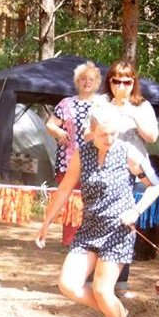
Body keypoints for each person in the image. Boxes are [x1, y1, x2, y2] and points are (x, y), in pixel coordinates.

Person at [36, 103, 159, 317]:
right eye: (103, 134)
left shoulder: (128, 153)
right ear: (91, 131)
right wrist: (47, 222)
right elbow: (64, 189)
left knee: (102, 290)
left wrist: (136, 211)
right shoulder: (82, 153)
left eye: (113, 133)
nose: (109, 138)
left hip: (118, 231)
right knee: (68, 284)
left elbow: (155, 186)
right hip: (89, 229)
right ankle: (115, 312)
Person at [90, 60, 159, 317]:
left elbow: (152, 137)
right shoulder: (99, 103)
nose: (121, 86)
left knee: (122, 224)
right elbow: (86, 133)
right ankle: (111, 302)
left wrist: (130, 113)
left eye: (127, 81)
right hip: (103, 166)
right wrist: (106, 128)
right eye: (116, 81)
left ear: (134, 83)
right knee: (99, 225)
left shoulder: (142, 105)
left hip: (132, 169)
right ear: (109, 82)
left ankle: (118, 290)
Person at [46, 61, 102, 246]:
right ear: (77, 81)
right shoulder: (66, 103)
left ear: (97, 82)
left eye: (91, 79)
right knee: (70, 200)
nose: (87, 82)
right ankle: (70, 241)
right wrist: (59, 132)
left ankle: (90, 239)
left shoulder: (103, 104)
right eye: (83, 79)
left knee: (91, 200)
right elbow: (50, 124)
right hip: (67, 161)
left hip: (95, 161)